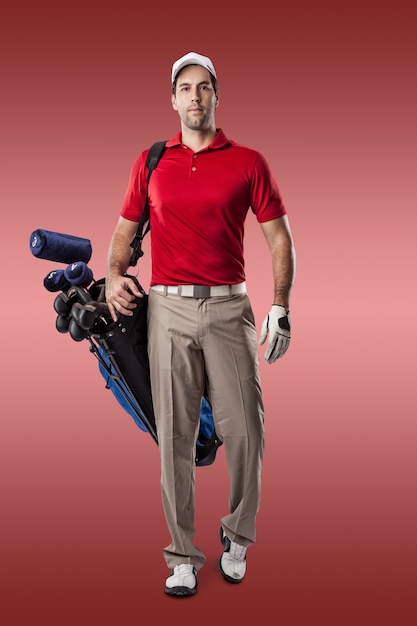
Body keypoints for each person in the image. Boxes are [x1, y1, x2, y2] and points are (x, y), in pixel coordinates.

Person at [105, 52, 296, 597]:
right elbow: (123, 232)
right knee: (175, 438)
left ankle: (237, 536)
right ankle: (182, 555)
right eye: (185, 88)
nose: (194, 96)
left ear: (216, 97)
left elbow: (279, 238)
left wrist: (280, 304)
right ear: (173, 99)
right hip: (167, 309)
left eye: (204, 88)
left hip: (230, 309)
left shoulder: (249, 161)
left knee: (246, 430)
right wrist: (116, 274)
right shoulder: (151, 160)